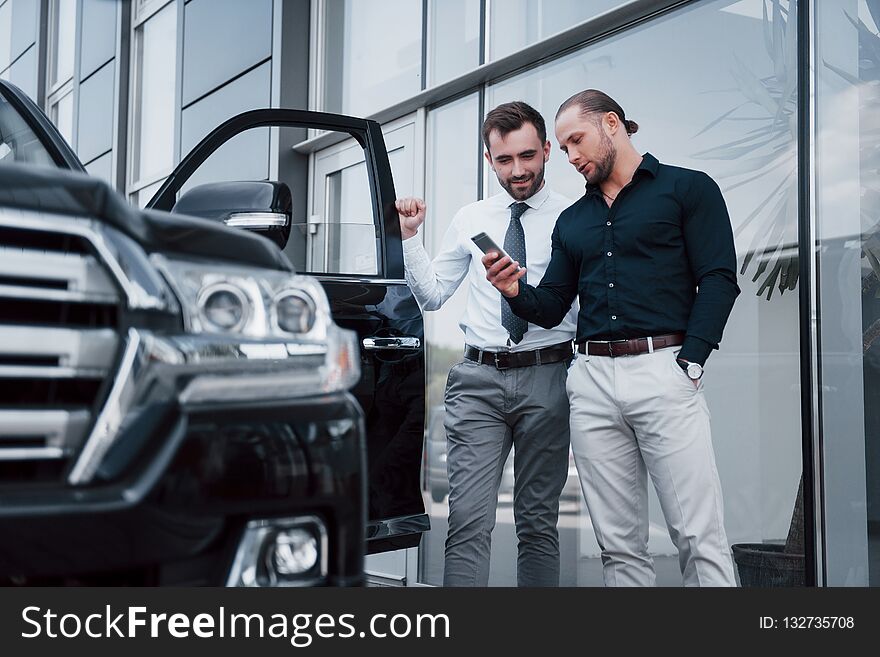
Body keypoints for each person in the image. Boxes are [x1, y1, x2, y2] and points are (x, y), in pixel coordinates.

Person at [483, 89, 740, 587]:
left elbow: (718, 279)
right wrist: (515, 291)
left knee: (697, 537)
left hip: (665, 369)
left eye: (577, 141)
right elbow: (553, 303)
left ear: (613, 124)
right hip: (592, 382)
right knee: (619, 548)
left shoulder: (688, 190)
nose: (572, 156)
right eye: (565, 147)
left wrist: (691, 359)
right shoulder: (572, 221)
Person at [395, 101, 577, 586]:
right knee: (468, 523)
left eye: (527, 156)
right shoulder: (472, 218)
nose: (518, 170)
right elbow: (433, 296)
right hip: (478, 380)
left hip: (549, 376)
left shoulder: (575, 217)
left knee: (539, 524)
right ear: (488, 159)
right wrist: (410, 239)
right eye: (504, 160)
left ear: (546, 151)